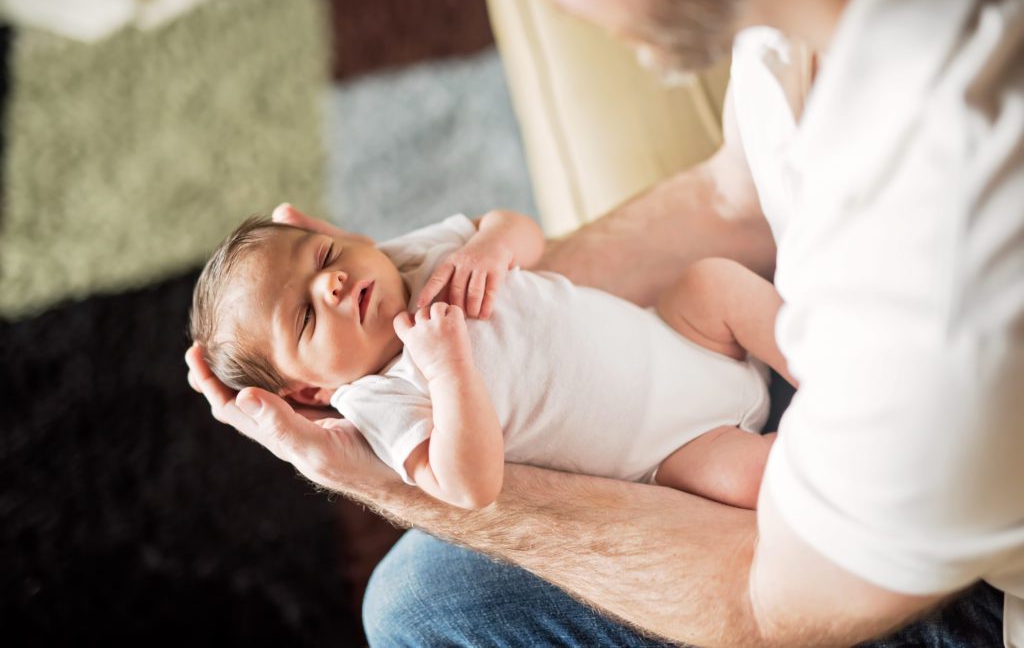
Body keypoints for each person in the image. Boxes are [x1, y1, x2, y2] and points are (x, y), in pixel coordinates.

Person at [186, 0, 1024, 644]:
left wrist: (366, 478)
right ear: (306, 389)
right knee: (410, 592)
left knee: (417, 610)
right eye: (306, 313)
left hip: (943, 563)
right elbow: (735, 194)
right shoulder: (808, 17)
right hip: (695, 421)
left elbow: (765, 602)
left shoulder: (946, 291)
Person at [189, 209, 790, 511]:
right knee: (758, 480)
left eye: (323, 254)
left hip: (681, 334)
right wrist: (448, 369)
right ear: (312, 393)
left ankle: (830, 369)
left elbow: (520, 229)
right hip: (678, 448)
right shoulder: (379, 398)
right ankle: (847, 436)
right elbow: (468, 486)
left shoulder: (413, 258)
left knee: (713, 284)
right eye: (306, 317)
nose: (333, 284)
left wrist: (492, 246)